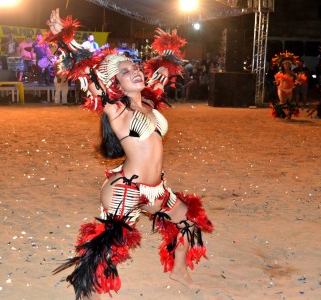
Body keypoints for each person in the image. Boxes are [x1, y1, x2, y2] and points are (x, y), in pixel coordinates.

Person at [45, 9, 213, 300]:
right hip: (127, 189)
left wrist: (171, 46)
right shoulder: (115, 108)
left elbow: (164, 68)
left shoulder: (149, 100)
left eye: (135, 67)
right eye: (124, 71)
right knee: (107, 247)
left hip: (158, 190)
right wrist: (64, 37)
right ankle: (90, 295)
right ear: (114, 83)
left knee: (190, 223)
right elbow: (85, 69)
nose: (134, 71)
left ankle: (178, 270)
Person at [270, 51, 305, 119]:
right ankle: (284, 114)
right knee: (282, 102)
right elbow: (277, 82)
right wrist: (276, 82)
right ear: (283, 65)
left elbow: (298, 79)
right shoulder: (280, 73)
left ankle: (286, 115)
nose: (287, 65)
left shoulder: (292, 73)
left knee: (288, 103)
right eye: (285, 64)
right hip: (281, 89)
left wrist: (299, 81)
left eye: (288, 64)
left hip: (289, 90)